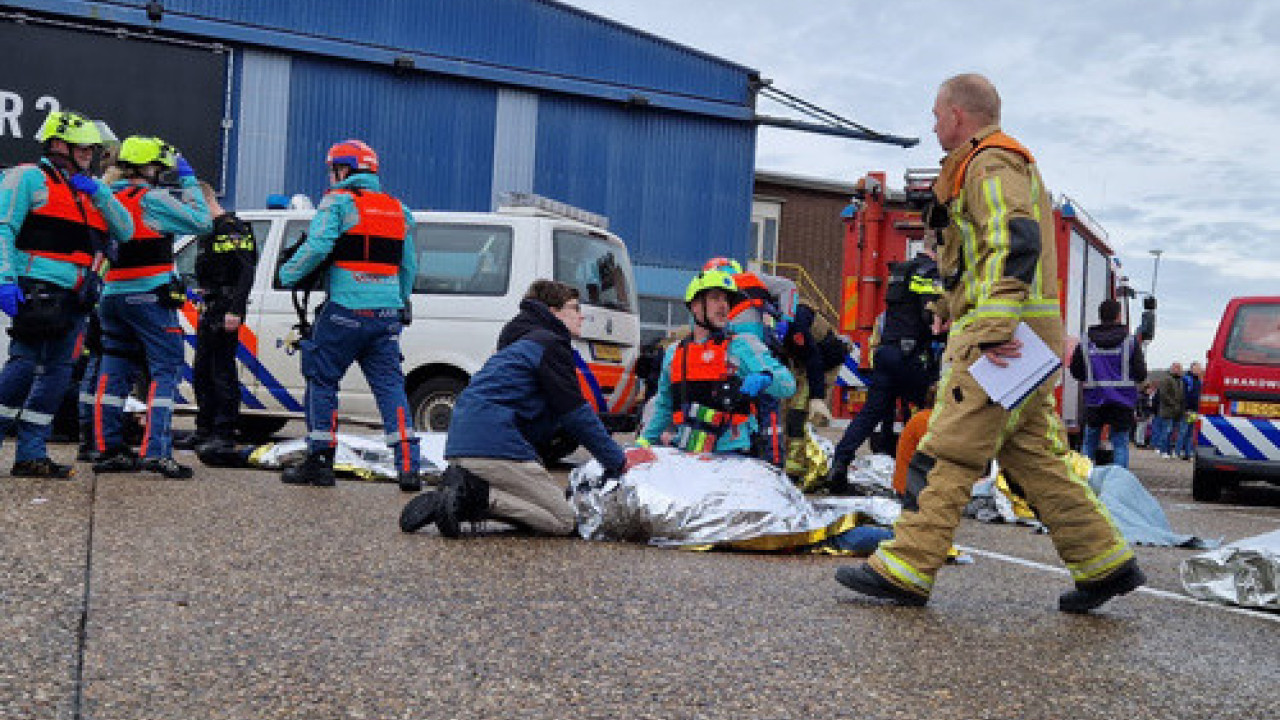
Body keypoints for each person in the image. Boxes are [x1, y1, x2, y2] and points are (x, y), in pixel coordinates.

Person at [835, 73, 1142, 613]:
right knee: (1036, 459)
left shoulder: (991, 162)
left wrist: (995, 325)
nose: (933, 124)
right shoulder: (986, 165)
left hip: (1005, 339)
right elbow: (985, 256)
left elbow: (1011, 240)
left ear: (958, 114)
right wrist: (950, 310)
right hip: (1019, 337)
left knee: (947, 449)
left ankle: (906, 568)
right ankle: (1106, 564)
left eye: (936, 115)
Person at [399, 280, 654, 537]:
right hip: (494, 447)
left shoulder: (519, 343)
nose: (582, 315)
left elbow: (542, 413)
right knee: (563, 520)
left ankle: (457, 496)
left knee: (534, 503)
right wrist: (618, 461)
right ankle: (474, 497)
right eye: (574, 308)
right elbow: (576, 414)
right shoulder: (551, 344)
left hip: (461, 445)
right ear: (553, 312)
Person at [277, 139, 423, 491]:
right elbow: (409, 265)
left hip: (344, 310)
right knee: (390, 388)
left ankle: (320, 462)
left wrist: (287, 274)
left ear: (345, 170)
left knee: (322, 380)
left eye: (334, 169)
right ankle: (408, 467)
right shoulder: (398, 210)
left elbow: (318, 246)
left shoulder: (337, 203)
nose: (332, 175)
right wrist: (400, 300)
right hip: (386, 314)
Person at [0, 110, 132, 478]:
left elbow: (125, 230)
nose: (90, 154)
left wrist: (102, 192)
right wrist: (4, 278)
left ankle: (30, 454)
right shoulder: (27, 177)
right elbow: (2, 228)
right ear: (60, 145)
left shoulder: (89, 190)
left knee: (58, 374)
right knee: (24, 367)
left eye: (92, 149)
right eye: (84, 148)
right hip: (35, 289)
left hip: (77, 296)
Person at [92, 136, 211, 479]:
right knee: (166, 369)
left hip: (111, 296)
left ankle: (109, 448)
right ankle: (156, 452)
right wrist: (188, 180)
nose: (162, 174)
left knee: (112, 370)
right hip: (148, 298)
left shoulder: (108, 197)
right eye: (160, 168)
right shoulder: (154, 200)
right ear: (149, 168)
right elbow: (202, 222)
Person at [638, 269, 795, 456]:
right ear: (695, 305)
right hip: (687, 454)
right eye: (715, 298)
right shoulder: (674, 354)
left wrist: (766, 378)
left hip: (733, 456)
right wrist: (644, 441)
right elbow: (664, 406)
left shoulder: (742, 345)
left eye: (726, 300)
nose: (724, 306)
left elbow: (787, 384)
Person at [826, 245, 940, 491]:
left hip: (886, 352)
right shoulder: (929, 272)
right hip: (911, 355)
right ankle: (918, 477)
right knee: (927, 412)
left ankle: (840, 463)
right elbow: (930, 318)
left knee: (870, 414)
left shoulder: (900, 272)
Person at [183, 182, 258, 459]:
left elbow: (246, 271)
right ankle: (204, 430)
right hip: (210, 305)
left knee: (221, 371)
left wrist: (235, 310)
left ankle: (224, 433)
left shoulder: (231, 228)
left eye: (193, 207)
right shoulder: (209, 231)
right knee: (202, 370)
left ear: (203, 202)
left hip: (226, 306)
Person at [1068, 298, 1147, 468]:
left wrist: (1091, 377)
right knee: (1120, 445)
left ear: (1100, 316)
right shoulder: (1130, 341)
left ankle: (1084, 484)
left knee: (1089, 443)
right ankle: (1117, 486)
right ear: (1118, 316)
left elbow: (1076, 371)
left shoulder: (1085, 341)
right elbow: (1141, 374)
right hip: (1122, 402)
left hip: (1094, 400)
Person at [1153, 362, 1185, 459]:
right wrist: (1173, 404)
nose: (1179, 370)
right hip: (1167, 411)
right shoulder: (1166, 379)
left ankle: (1169, 451)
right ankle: (1163, 451)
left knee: (1172, 433)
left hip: (1177, 412)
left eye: (1180, 368)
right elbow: (1163, 394)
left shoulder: (1180, 381)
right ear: (1172, 368)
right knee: (1166, 432)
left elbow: (1181, 396)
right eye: (1177, 368)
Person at [1176, 361, 1203, 460]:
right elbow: (1183, 396)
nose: (1199, 370)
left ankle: (1188, 453)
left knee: (1190, 433)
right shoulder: (1187, 380)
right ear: (1192, 368)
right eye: (1197, 368)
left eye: (1200, 368)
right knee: (1183, 432)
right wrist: (1185, 409)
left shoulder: (1199, 381)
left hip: (1195, 411)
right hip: (1188, 410)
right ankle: (1177, 452)